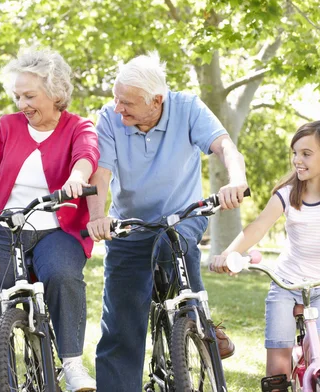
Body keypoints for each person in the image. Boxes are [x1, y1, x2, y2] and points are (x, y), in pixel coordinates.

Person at [85, 52, 249, 391]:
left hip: (182, 217)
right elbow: (101, 173)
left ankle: (195, 318)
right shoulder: (110, 118)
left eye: (126, 103)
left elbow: (225, 147)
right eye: (117, 99)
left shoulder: (187, 107)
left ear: (156, 101)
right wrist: (98, 217)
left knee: (170, 240)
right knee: (120, 328)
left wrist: (236, 180)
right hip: (129, 225)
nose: (118, 108)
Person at [0, 47, 100, 392]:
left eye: (30, 96)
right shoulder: (7, 127)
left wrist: (77, 178)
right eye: (17, 96)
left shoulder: (78, 126)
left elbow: (87, 155)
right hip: (4, 230)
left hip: (57, 229)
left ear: (56, 94)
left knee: (62, 275)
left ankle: (71, 364)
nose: (22, 104)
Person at [212, 120, 320, 392]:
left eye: (306, 153)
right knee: (278, 370)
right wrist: (229, 252)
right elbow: (257, 227)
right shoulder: (287, 194)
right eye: (295, 153)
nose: (297, 160)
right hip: (286, 285)